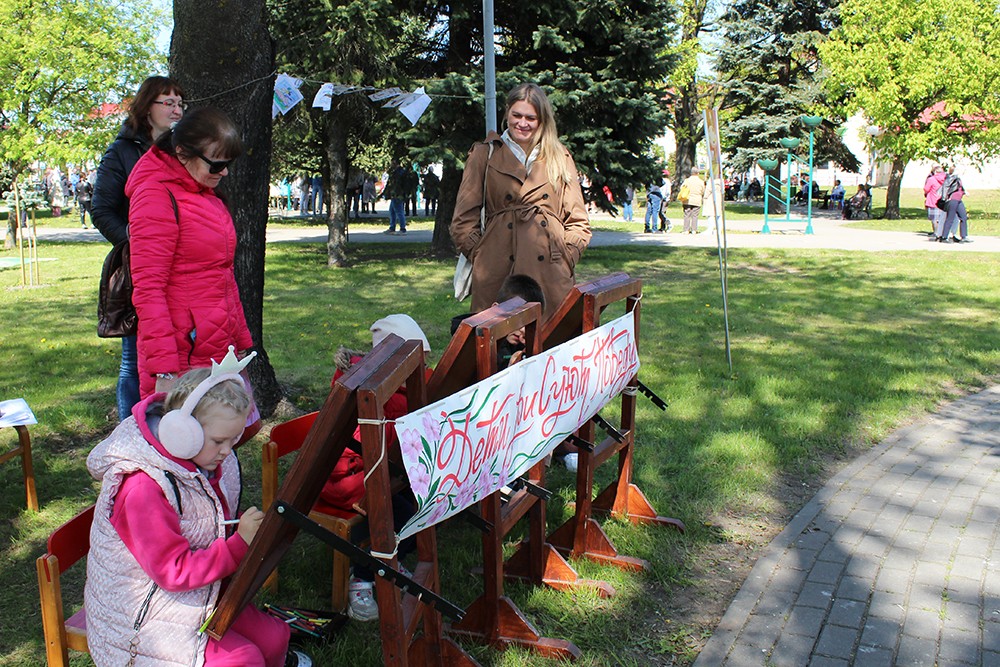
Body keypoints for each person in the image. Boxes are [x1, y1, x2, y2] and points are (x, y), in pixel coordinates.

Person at [84, 366, 311, 667]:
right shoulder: (142, 488)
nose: (227, 451)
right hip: (143, 617)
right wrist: (239, 544)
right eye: (219, 441)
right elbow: (172, 571)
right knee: (243, 659)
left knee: (275, 637)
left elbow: (206, 521)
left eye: (234, 439)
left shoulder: (205, 461)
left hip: (199, 592)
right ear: (183, 434)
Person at [125, 106, 255, 400]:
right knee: (186, 429)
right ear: (183, 153)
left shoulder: (204, 193)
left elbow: (224, 274)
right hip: (181, 357)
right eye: (216, 165)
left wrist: (241, 342)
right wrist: (164, 371)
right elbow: (148, 289)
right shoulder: (155, 195)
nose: (224, 172)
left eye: (228, 163)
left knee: (224, 429)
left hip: (217, 349)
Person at [451, 83, 591, 320]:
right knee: (496, 339)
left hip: (550, 273)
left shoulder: (560, 156)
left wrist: (566, 258)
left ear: (542, 120)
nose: (522, 123)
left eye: (530, 118)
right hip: (496, 271)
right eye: (517, 115)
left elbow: (578, 221)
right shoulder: (485, 154)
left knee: (550, 339)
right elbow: (462, 220)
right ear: (507, 112)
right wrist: (483, 253)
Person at [92, 75, 186, 422]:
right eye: (168, 103)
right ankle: (131, 430)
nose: (177, 110)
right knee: (134, 359)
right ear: (148, 109)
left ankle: (172, 427)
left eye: (180, 103)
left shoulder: (183, 150)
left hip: (182, 267)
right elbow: (101, 209)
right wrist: (137, 241)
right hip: (140, 270)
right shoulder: (122, 151)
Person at [327, 315, 426, 622]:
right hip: (346, 477)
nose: (423, 369)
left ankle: (388, 560)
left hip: (378, 473)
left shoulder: (398, 385)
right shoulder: (366, 391)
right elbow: (366, 446)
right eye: (416, 362)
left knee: (416, 511)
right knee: (402, 517)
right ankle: (363, 576)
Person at [938, 167, 970, 243]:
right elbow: (945, 187)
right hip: (953, 199)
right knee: (950, 218)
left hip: (958, 200)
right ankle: (944, 237)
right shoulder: (951, 178)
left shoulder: (958, 179)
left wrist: (964, 192)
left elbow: (959, 188)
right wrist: (944, 198)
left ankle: (964, 236)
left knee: (963, 217)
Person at [383, 161, 408, 234]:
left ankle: (402, 229)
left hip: (397, 194)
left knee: (399, 211)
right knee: (392, 211)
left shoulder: (399, 173)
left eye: (392, 163)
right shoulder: (396, 172)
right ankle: (392, 227)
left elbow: (396, 184)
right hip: (395, 194)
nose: (391, 164)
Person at [924, 165, 947, 240]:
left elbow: (926, 189)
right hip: (943, 201)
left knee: (934, 219)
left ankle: (936, 233)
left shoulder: (931, 179)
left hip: (933, 200)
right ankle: (942, 232)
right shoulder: (946, 178)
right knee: (941, 218)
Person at [679, 166, 706, 234]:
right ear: (698, 173)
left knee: (687, 214)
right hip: (697, 200)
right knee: (695, 215)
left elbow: (682, 188)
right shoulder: (701, 182)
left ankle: (686, 229)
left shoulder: (687, 180)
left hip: (687, 199)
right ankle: (694, 229)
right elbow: (703, 191)